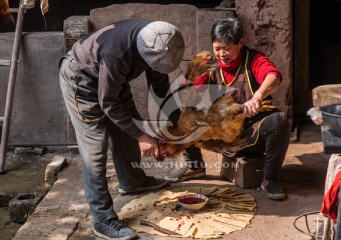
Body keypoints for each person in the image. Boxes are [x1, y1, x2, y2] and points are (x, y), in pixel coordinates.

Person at [59, 19, 185, 240]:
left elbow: (161, 89)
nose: (156, 70)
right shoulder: (117, 54)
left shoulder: (162, 41)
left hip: (109, 80)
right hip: (81, 79)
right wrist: (143, 136)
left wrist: (180, 125)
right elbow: (108, 102)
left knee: (131, 126)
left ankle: (132, 181)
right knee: (95, 149)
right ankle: (102, 219)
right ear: (143, 53)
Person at [166, 18, 290, 200]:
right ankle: (195, 166)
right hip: (220, 135)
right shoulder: (206, 62)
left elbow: (274, 77)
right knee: (179, 112)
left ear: (240, 43)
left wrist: (257, 96)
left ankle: (270, 179)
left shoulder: (254, 59)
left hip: (250, 135)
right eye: (217, 48)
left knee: (279, 121)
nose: (221, 53)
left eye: (227, 48)